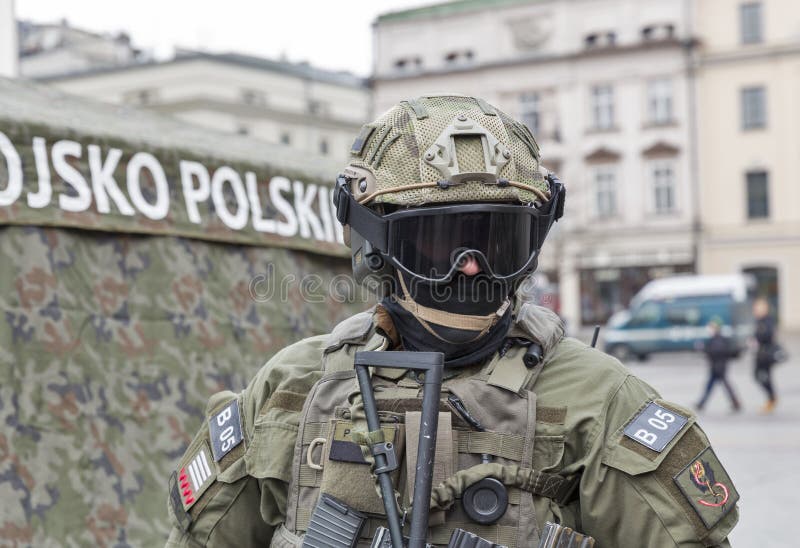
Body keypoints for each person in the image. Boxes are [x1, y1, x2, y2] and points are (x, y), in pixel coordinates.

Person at [165, 95, 738, 547]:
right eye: (442, 242)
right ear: (376, 245)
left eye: (497, 238)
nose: (471, 266)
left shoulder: (600, 400)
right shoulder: (294, 386)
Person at [695, 317, 741, 412]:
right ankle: (701, 403)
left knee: (723, 386)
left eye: (712, 326)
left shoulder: (719, 339)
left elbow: (716, 352)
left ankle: (735, 403)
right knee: (710, 386)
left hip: (719, 367)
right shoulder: (715, 339)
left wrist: (703, 349)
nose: (710, 329)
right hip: (716, 367)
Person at [753, 297, 778, 413]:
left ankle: (772, 399)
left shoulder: (767, 320)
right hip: (760, 354)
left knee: (764, 376)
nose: (756, 310)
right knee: (759, 376)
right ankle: (771, 398)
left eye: (759, 308)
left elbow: (767, 335)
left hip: (766, 354)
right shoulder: (759, 321)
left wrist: (757, 339)